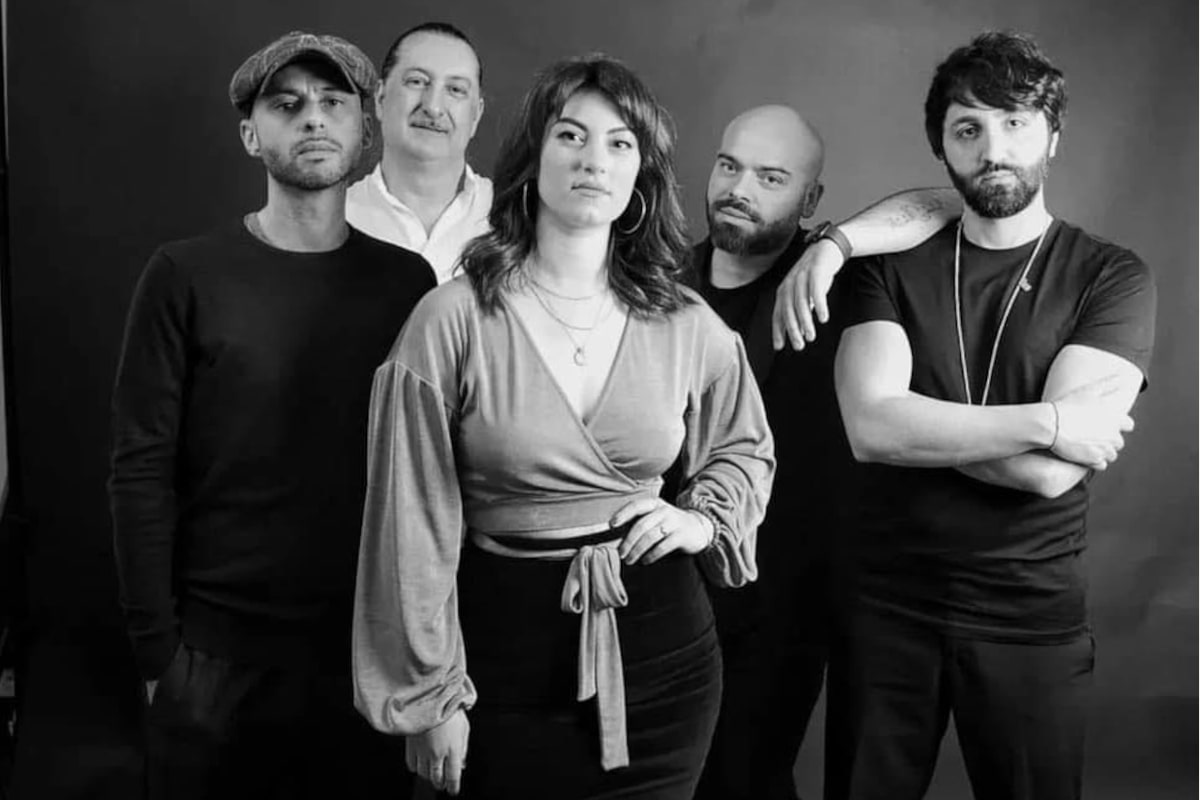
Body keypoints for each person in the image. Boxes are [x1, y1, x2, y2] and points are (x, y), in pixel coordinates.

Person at [352, 55, 775, 800]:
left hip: (666, 667)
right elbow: (407, 526)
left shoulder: (683, 320)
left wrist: (704, 521)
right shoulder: (451, 319)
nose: (594, 160)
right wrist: (429, 698)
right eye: (571, 135)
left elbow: (746, 448)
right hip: (501, 666)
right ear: (533, 156)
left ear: (641, 174)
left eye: (620, 143)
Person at [827, 32, 1156, 799]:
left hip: (1029, 615)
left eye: (1015, 123)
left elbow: (1047, 478)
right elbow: (871, 430)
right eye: (967, 128)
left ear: (1053, 137)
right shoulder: (885, 267)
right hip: (886, 605)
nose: (993, 148)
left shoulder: (1110, 276)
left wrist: (914, 424)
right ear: (941, 147)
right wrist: (1050, 420)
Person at [108, 31, 436, 799]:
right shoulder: (184, 275)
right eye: (286, 105)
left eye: (332, 102)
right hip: (213, 660)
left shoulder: (406, 284)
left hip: (361, 660)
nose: (312, 117)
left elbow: (428, 475)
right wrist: (159, 657)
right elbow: (139, 471)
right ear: (252, 136)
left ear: (364, 129)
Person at [681, 105, 856, 800]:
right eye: (729, 166)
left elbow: (943, 205)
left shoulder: (843, 289)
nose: (739, 189)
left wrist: (836, 245)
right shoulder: (658, 283)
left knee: (746, 780)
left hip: (781, 607)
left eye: (771, 177)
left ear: (811, 200)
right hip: (665, 591)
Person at [346, 21, 491, 282]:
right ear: (380, 98)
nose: (433, 107)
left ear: (476, 115)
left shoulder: (512, 221)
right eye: (417, 81)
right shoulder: (336, 222)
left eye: (455, 90)